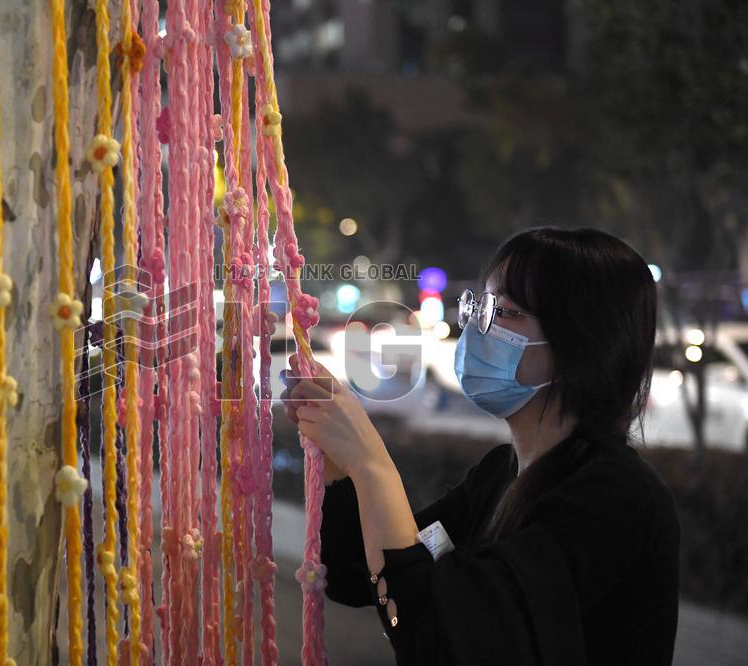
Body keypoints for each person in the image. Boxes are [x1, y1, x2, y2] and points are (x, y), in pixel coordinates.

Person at [281, 227, 680, 665]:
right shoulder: (501, 473)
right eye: (479, 305)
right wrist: (340, 459)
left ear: (581, 343)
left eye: (504, 311)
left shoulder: (616, 499)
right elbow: (359, 576)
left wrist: (371, 463)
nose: (476, 325)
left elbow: (438, 639)